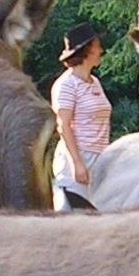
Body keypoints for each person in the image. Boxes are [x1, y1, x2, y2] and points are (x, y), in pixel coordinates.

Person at [50, 23, 112, 210]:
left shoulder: (95, 83)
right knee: (73, 218)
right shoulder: (67, 85)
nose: (101, 50)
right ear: (87, 51)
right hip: (77, 160)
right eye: (97, 46)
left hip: (99, 160)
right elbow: (64, 126)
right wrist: (77, 163)